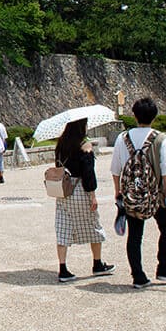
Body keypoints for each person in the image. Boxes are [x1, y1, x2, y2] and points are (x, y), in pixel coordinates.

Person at [110, 97, 166, 289]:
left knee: (135, 236)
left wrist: (118, 192)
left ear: (134, 115)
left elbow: (115, 169)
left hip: (131, 194)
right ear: (154, 117)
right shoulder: (161, 139)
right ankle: (164, 269)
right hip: (155, 193)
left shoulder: (122, 138)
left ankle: (138, 275)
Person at [53, 118, 115, 283]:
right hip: (79, 189)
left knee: (63, 227)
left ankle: (63, 268)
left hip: (63, 190)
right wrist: (92, 195)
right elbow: (88, 173)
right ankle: (97, 263)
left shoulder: (61, 145)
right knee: (93, 224)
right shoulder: (84, 145)